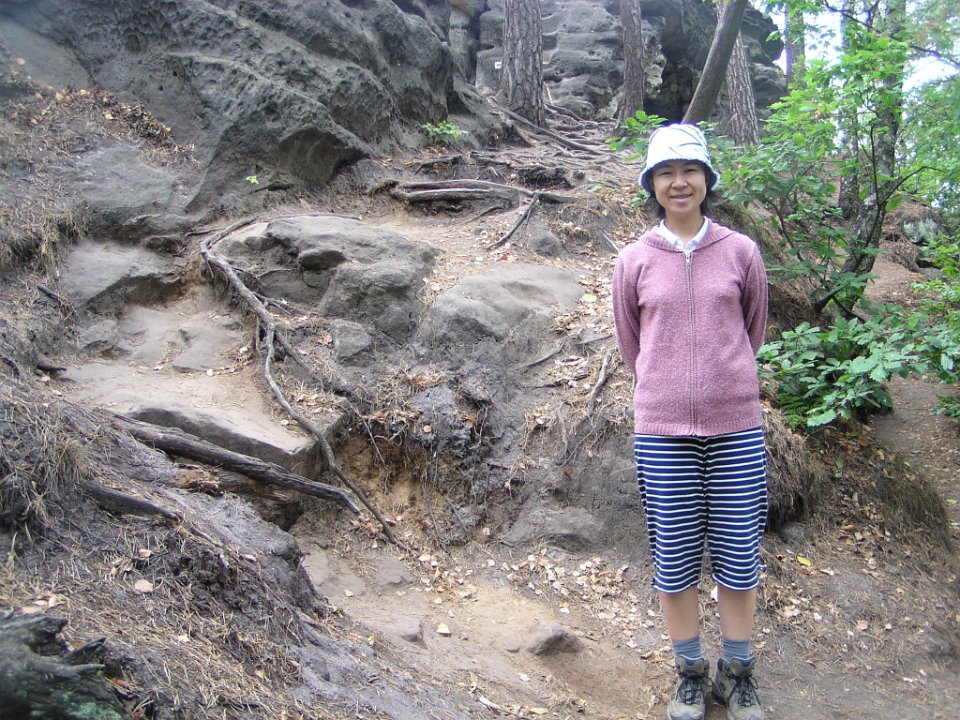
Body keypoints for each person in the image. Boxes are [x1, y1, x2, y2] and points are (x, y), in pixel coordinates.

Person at [611, 123, 769, 720]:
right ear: (652, 184)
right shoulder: (634, 260)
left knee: (739, 559)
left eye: (689, 171)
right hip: (662, 430)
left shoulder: (740, 251)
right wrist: (669, 385)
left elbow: (752, 331)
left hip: (736, 426)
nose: (679, 182)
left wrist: (723, 379)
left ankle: (738, 672)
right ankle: (689, 674)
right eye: (666, 173)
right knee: (674, 562)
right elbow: (632, 344)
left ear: (707, 179)